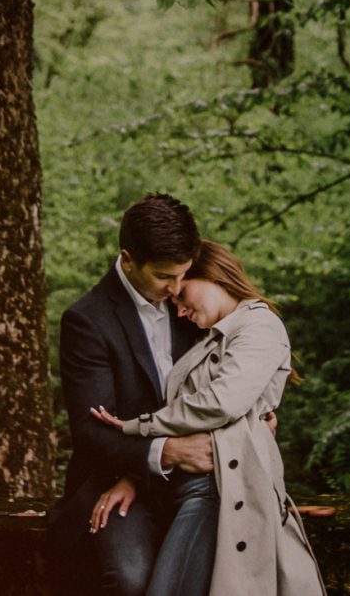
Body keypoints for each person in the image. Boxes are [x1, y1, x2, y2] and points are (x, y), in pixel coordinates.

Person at [89, 241, 325, 596]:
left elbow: (220, 403)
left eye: (182, 295)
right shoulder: (213, 336)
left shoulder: (259, 325)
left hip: (220, 485)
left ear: (213, 275)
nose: (179, 310)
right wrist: (138, 471)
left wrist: (137, 426)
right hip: (190, 485)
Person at [51, 194, 220, 596]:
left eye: (183, 274)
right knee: (131, 580)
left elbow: (239, 363)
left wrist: (261, 412)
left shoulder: (196, 296)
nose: (177, 288)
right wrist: (165, 455)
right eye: (164, 277)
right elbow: (91, 432)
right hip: (114, 482)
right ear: (128, 259)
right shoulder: (87, 321)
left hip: (204, 480)